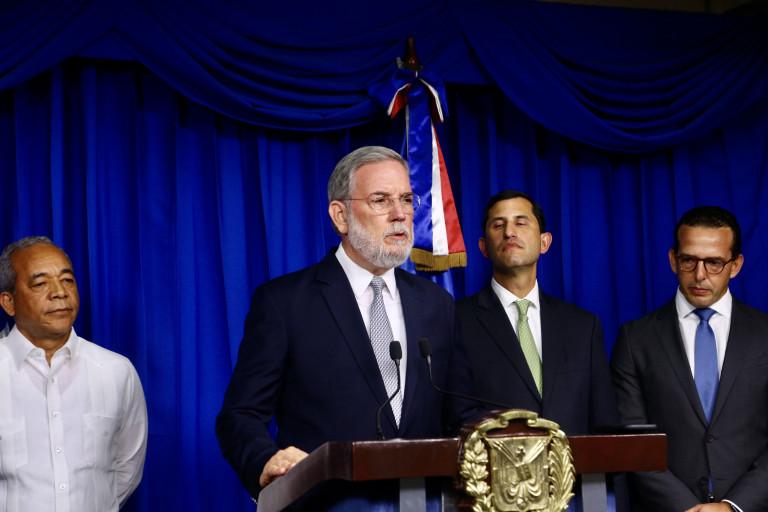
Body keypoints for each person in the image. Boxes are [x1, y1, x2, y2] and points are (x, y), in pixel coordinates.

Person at [215, 146, 479, 507]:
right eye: (381, 200)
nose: (400, 214)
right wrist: (265, 460)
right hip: (325, 502)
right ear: (341, 216)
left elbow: (461, 413)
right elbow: (240, 415)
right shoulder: (285, 302)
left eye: (406, 199)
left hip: (424, 501)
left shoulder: (436, 303)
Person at [610, 206, 768, 512]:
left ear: (736, 265)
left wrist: (733, 506)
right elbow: (634, 441)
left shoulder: (764, 334)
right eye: (688, 260)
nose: (699, 275)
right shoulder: (634, 339)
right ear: (673, 260)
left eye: (714, 263)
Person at [0, 236, 148, 512]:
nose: (59, 292)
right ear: (9, 302)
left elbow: (126, 468)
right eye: (40, 284)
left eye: (67, 280)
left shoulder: (116, 371)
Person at [457, 190, 618, 435]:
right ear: (483, 247)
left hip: (574, 460)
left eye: (521, 223)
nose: (509, 232)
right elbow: (455, 419)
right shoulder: (456, 322)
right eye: (498, 225)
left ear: (544, 242)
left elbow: (605, 424)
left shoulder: (583, 326)